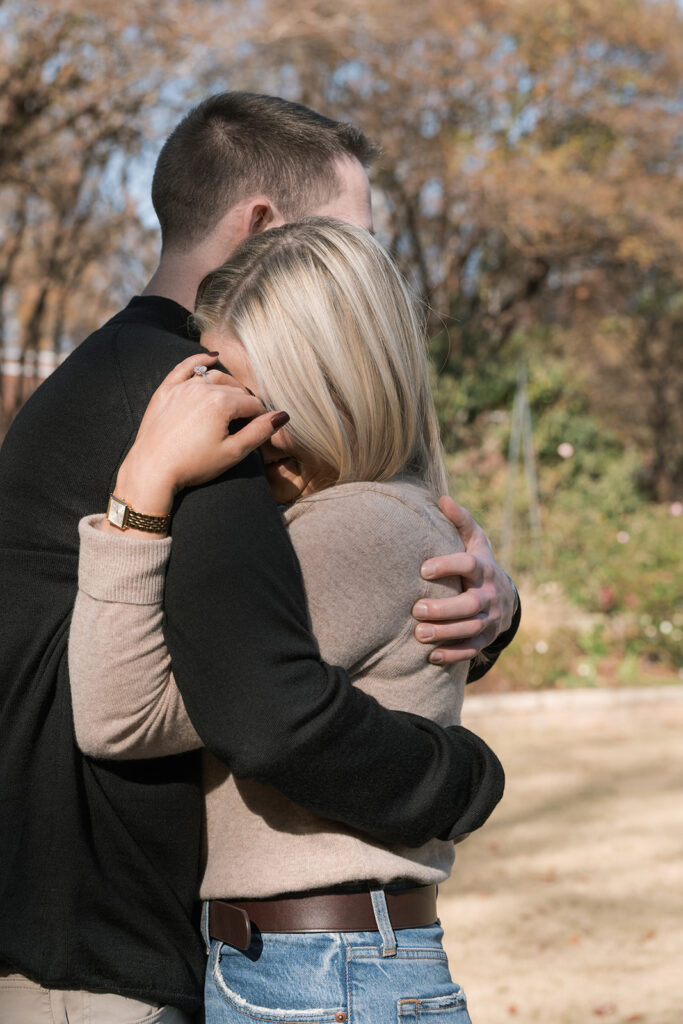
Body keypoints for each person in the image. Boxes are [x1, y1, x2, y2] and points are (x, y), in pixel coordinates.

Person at [0, 93, 519, 1022]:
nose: (365, 267)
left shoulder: (107, 369)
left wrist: (486, 600)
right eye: (347, 236)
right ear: (262, 233)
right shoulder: (202, 395)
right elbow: (262, 702)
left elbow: (301, 599)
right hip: (106, 948)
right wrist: (463, 780)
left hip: (122, 938)